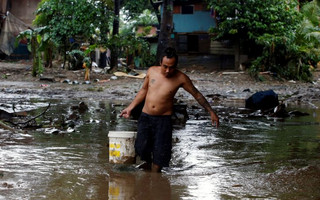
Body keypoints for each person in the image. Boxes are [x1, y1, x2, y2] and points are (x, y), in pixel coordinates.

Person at [120, 47, 219, 172]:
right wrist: (130, 108)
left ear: (176, 65)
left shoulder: (181, 78)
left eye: (171, 67)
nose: (168, 70)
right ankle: (148, 165)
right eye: (165, 66)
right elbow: (143, 90)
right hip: (145, 116)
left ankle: (155, 180)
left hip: (163, 120)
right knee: (141, 148)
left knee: (160, 154)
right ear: (160, 62)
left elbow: (197, 94)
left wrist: (211, 111)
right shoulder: (151, 71)